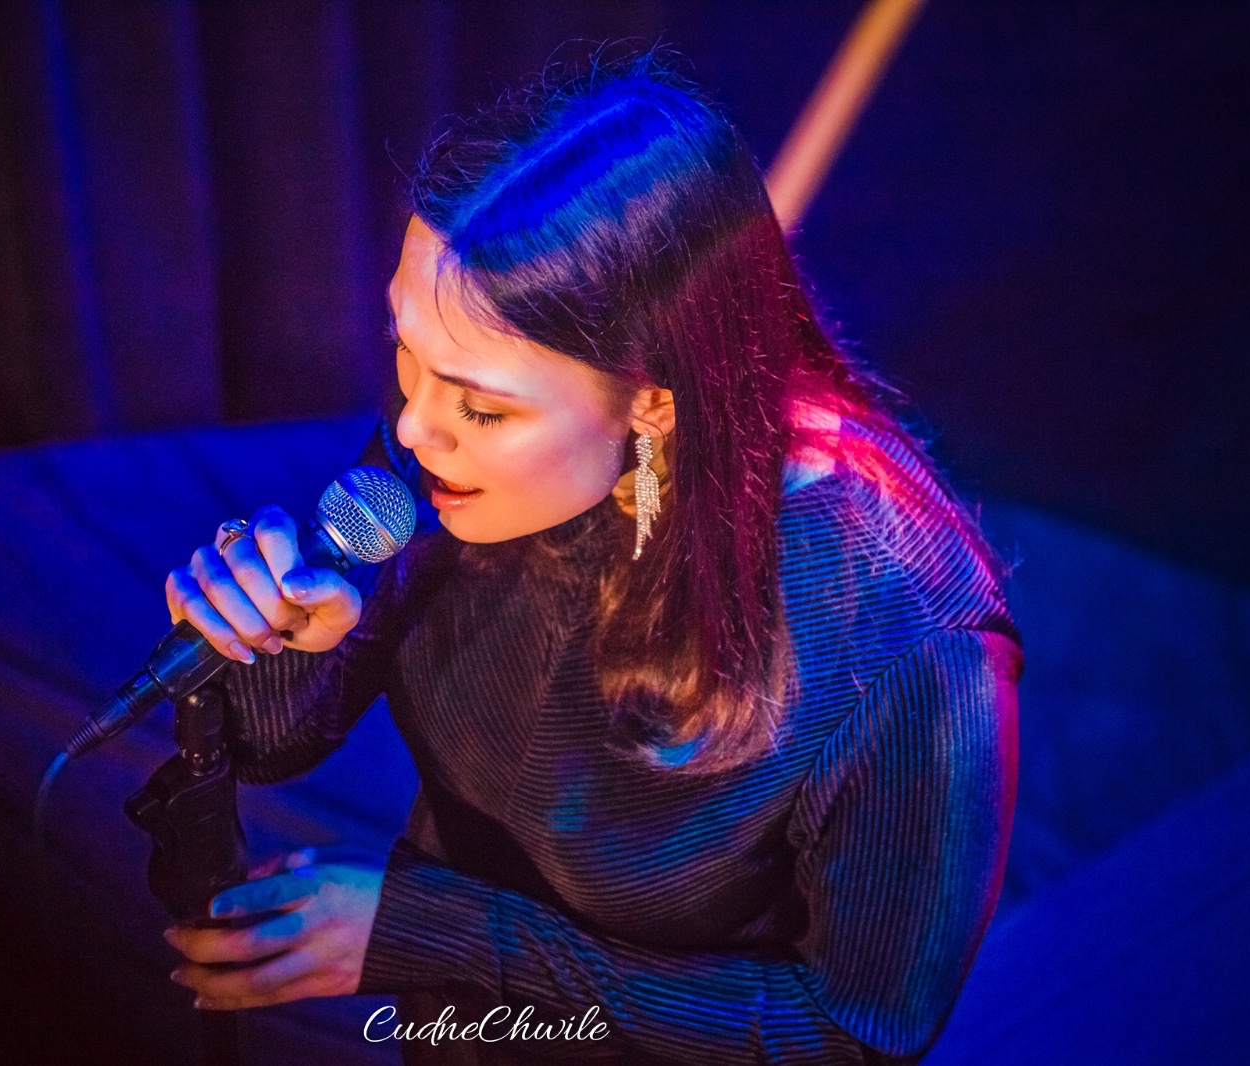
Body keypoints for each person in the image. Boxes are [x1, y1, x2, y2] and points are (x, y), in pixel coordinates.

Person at [161, 51, 1021, 1064]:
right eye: (405, 355)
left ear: (651, 402)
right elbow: (271, 748)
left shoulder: (904, 639)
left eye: (482, 406)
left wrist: (444, 933)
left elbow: (851, 1034)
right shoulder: (445, 461)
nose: (415, 428)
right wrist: (277, 641)